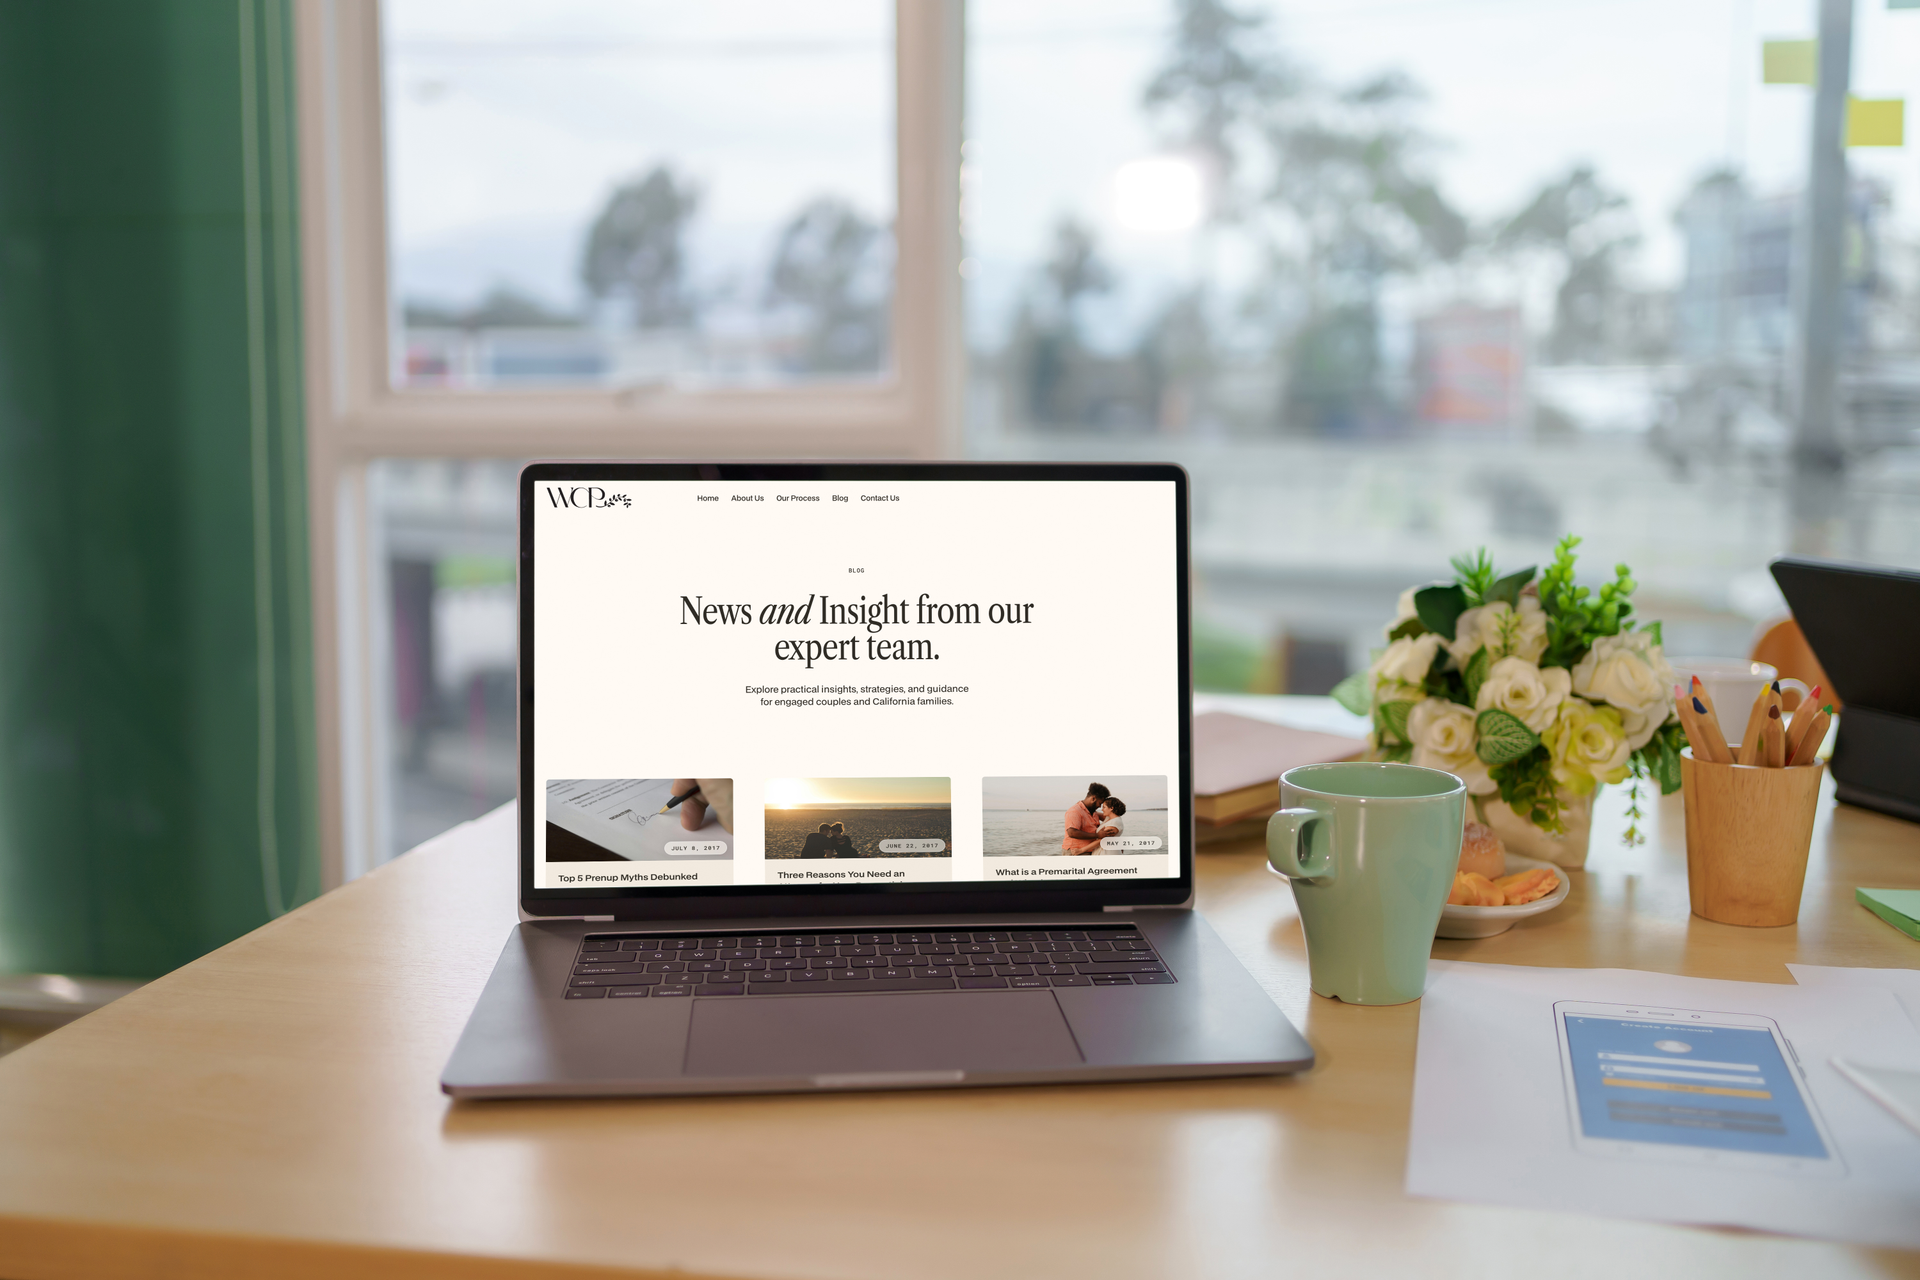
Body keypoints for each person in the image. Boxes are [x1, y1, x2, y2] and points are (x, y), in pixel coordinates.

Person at [1062, 782, 1109, 855]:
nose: (1100, 806)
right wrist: (1097, 835)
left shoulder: (1093, 812)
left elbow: (1110, 817)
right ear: (1093, 798)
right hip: (1075, 852)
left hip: (1089, 850)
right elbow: (1072, 833)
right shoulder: (1075, 810)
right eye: (1100, 803)